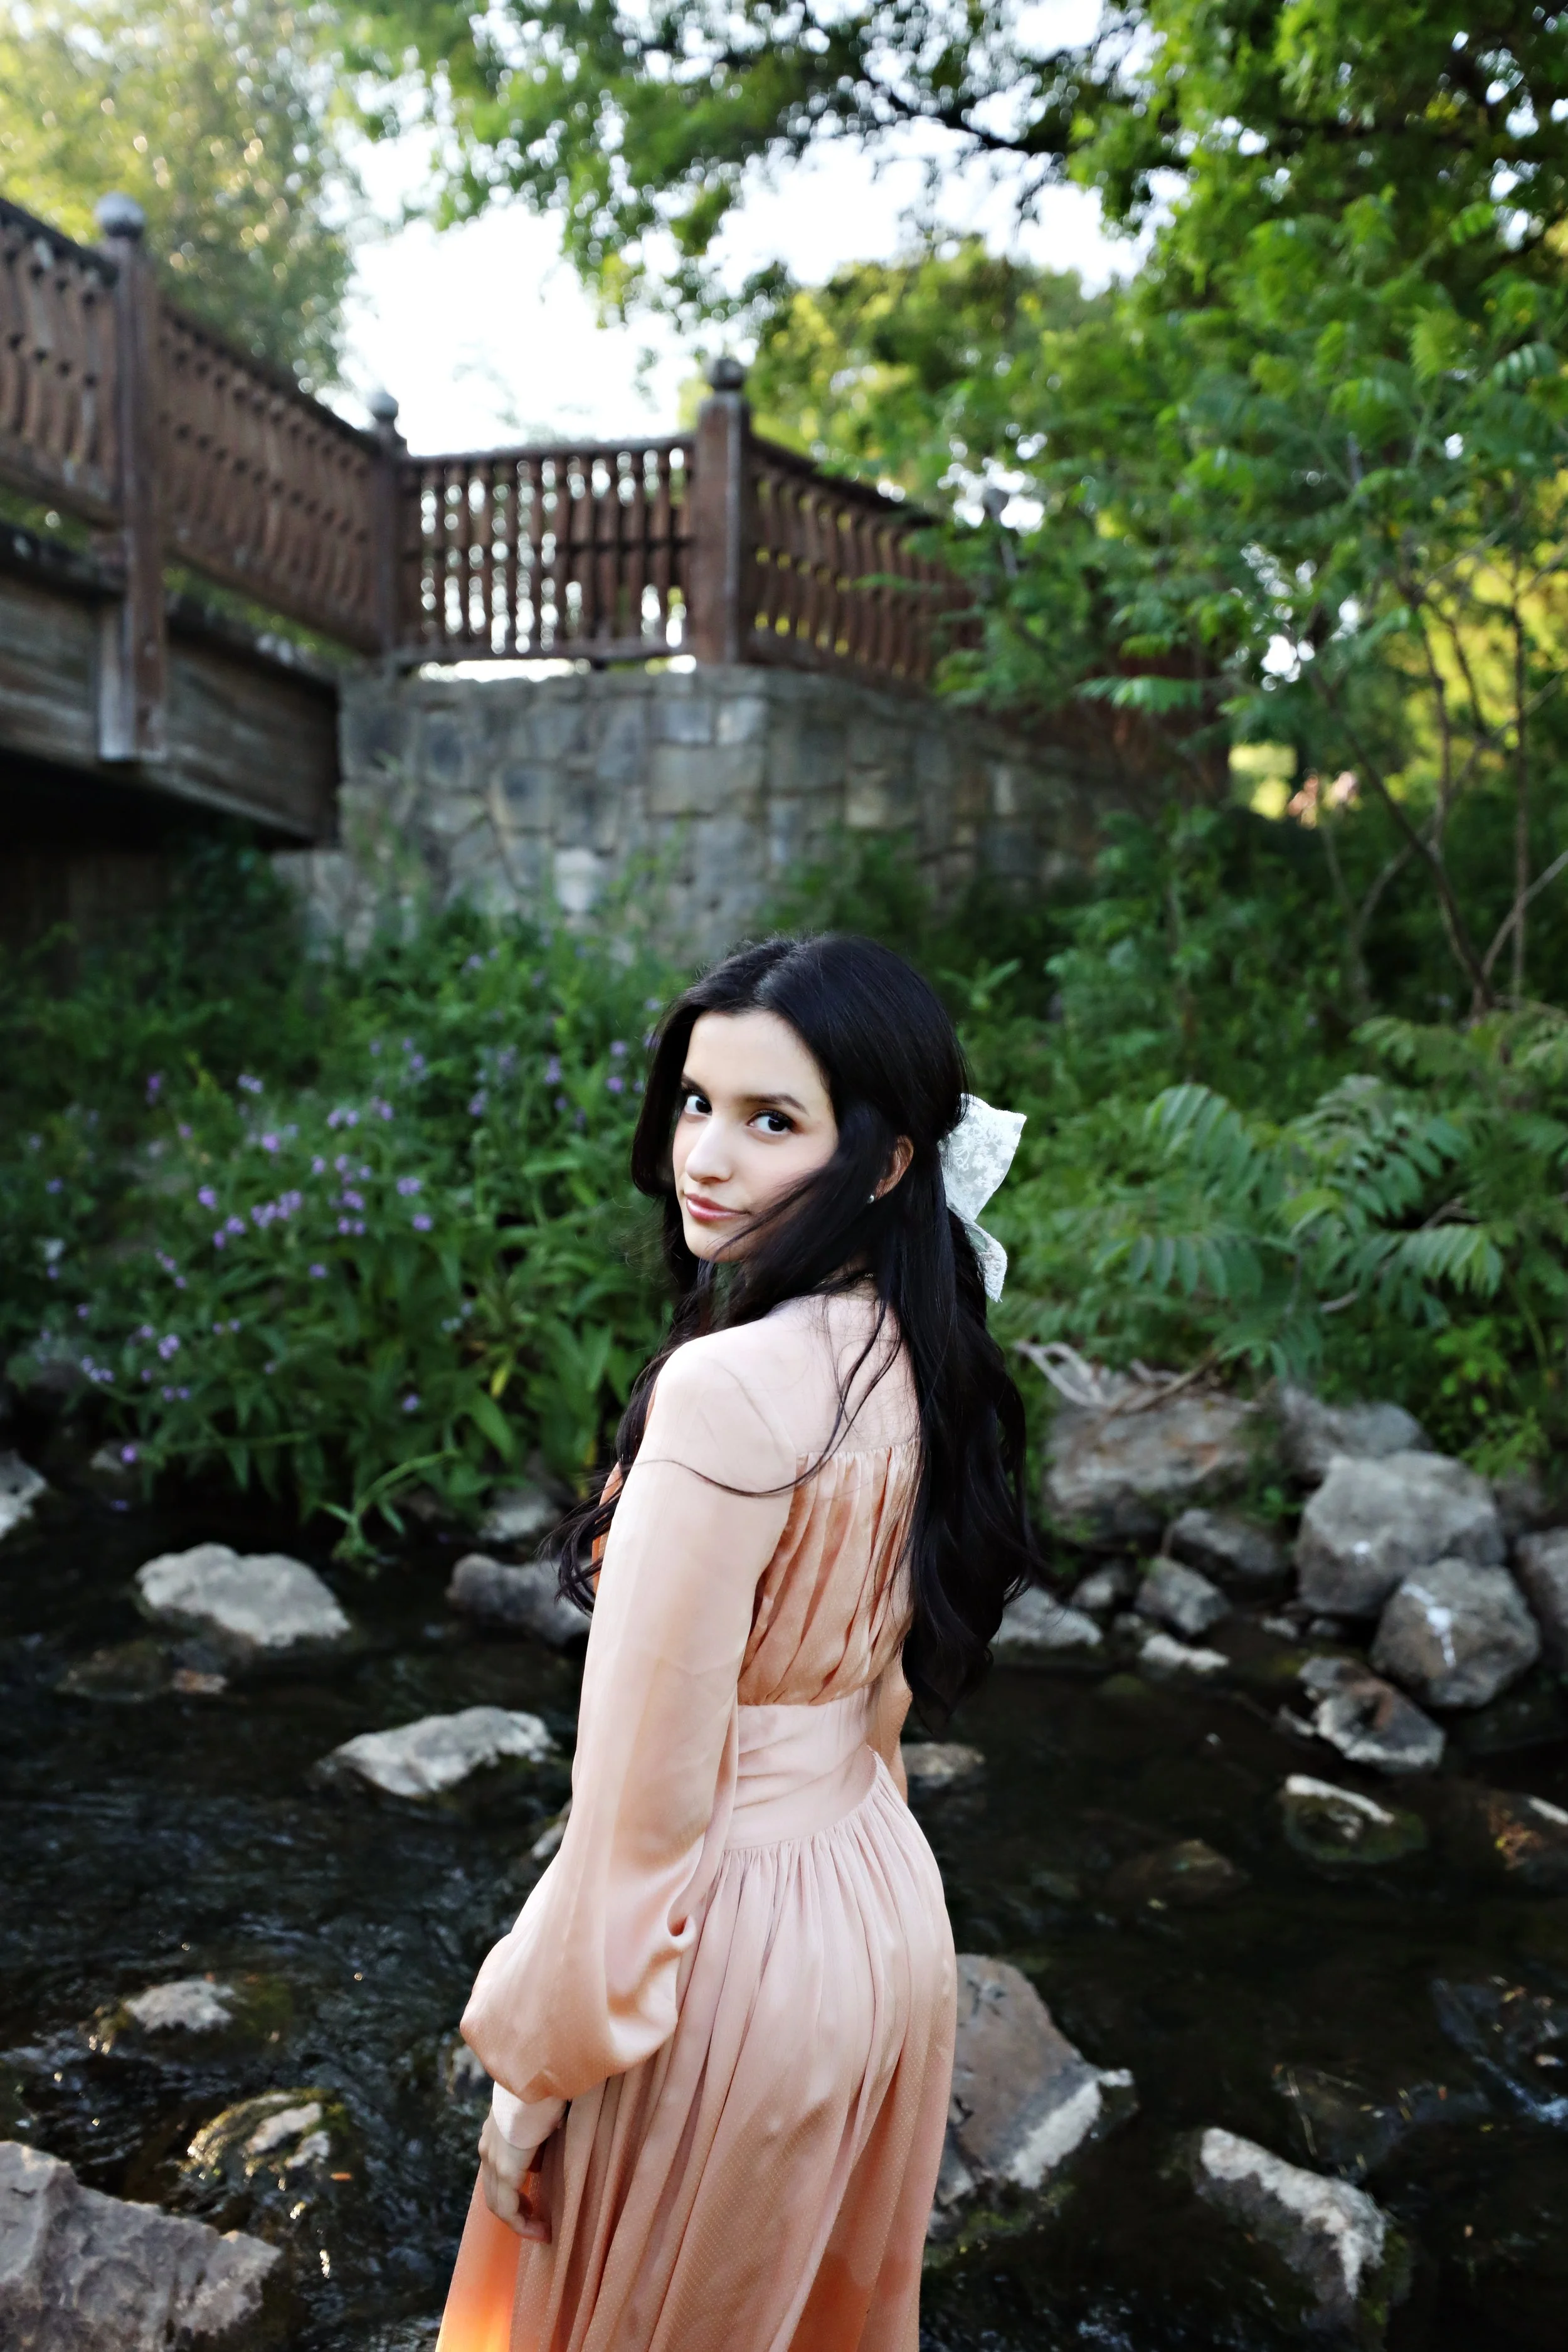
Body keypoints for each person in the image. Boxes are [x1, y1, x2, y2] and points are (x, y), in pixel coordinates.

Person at [436, 931, 1036, 2352]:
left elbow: (642, 1803)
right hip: (881, 1906)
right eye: (697, 1103)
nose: (704, 1155)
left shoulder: (724, 1390)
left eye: (771, 1121)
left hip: (732, 1951)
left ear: (885, 1161)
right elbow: (880, 1695)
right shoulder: (917, 1342)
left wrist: (538, 2067)